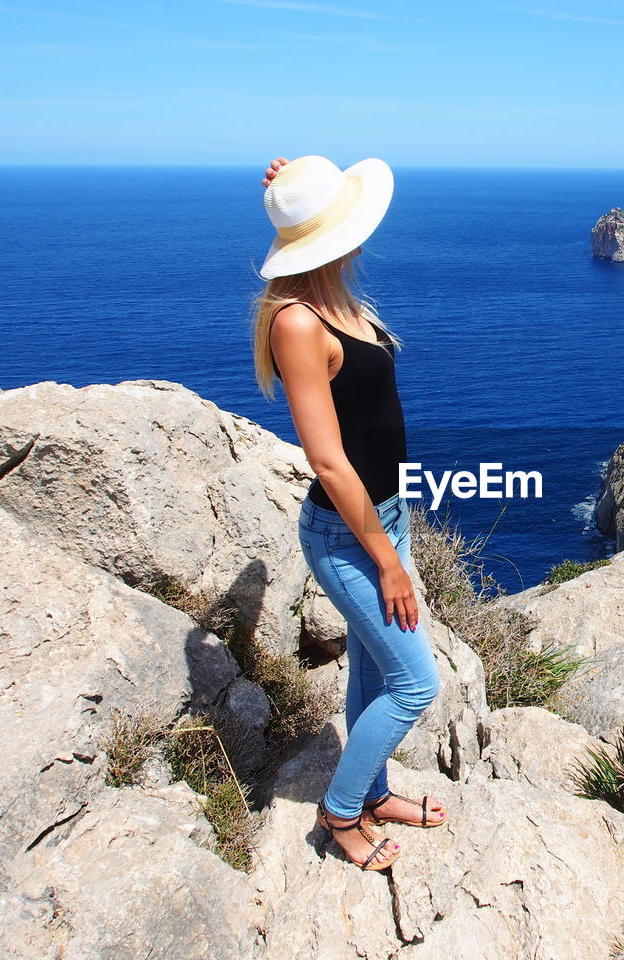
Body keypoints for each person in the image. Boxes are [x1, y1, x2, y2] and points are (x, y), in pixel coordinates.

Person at [249, 154, 448, 872]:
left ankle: (373, 792)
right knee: (414, 683)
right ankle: (339, 813)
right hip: (346, 534)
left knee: (370, 668)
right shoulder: (297, 321)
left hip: (383, 516)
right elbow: (329, 462)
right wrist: (388, 562)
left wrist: (293, 191)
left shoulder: (339, 297)